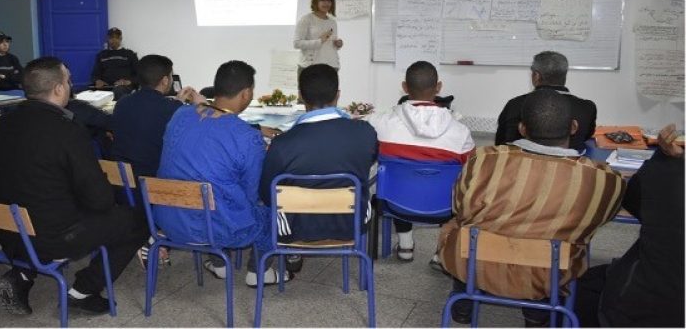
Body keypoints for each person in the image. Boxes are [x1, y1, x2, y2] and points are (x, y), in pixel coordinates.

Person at [438, 89, 624, 326]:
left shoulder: (484, 160)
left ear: (522, 128)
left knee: (459, 226)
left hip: (476, 266)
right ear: (574, 127)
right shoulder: (603, 180)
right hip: (549, 276)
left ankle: (463, 300)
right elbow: (599, 220)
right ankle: (538, 313)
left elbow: (460, 208)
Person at [0, 57, 148, 316]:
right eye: (68, 80)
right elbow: (100, 201)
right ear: (59, 89)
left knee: (45, 199)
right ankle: (83, 291)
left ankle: (23, 274)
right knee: (136, 220)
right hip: (52, 236)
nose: (70, 85)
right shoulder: (67, 131)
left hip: (7, 231)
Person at [154, 60, 291, 287]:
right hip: (216, 228)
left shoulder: (179, 116)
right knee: (269, 207)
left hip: (167, 220)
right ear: (246, 94)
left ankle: (219, 265)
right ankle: (259, 272)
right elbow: (252, 193)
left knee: (211, 190)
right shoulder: (247, 137)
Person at [259, 64, 377, 271]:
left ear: (301, 97)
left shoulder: (283, 143)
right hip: (351, 222)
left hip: (295, 226)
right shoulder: (365, 132)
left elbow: (267, 195)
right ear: (338, 95)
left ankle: (292, 251)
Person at [574, 124, 684, 327]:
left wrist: (665, 158)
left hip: (646, 303)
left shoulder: (667, 173)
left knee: (581, 287)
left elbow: (632, 201)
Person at [365, 61, 474, 261]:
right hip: (445, 206)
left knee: (395, 178)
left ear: (405, 87)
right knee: (454, 182)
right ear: (439, 87)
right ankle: (441, 253)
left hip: (393, 203)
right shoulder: (461, 132)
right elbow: (471, 171)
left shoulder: (379, 122)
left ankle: (405, 245)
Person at [495, 51, 597, 152]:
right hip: (570, 166)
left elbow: (500, 144)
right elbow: (586, 137)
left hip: (518, 165)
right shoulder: (587, 108)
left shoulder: (514, 105)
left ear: (536, 76)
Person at [111, 55, 183, 180]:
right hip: (154, 185)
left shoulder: (122, 103)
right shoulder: (172, 109)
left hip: (123, 184)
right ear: (165, 80)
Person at [293, 0, 344, 72]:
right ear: (316, 1)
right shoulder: (306, 19)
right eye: (322, 0)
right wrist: (320, 41)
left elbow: (331, 45)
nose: (326, 3)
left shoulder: (332, 22)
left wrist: (338, 44)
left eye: (329, 0)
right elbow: (296, 43)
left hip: (331, 67)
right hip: (311, 67)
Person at [91, 27, 138, 100]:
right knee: (85, 93)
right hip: (106, 87)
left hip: (123, 87)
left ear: (120, 38)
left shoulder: (130, 54)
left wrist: (128, 81)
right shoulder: (101, 55)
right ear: (108, 39)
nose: (114, 40)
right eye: (111, 38)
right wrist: (98, 81)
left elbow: (138, 74)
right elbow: (95, 74)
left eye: (117, 38)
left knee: (118, 91)